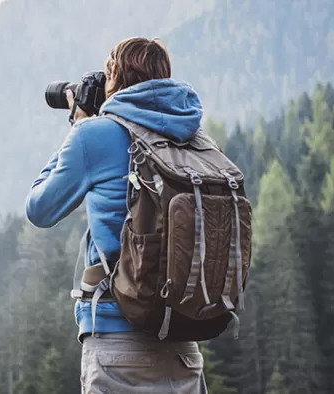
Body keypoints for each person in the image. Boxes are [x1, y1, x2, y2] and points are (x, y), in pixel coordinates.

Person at [25, 37, 208, 393]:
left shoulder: (95, 135)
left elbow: (39, 209)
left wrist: (79, 124)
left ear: (112, 74)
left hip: (119, 344)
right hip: (185, 347)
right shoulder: (193, 136)